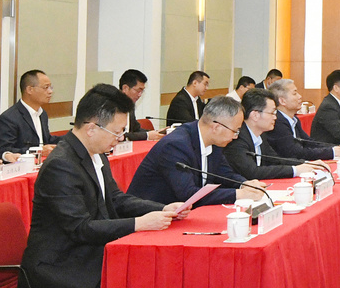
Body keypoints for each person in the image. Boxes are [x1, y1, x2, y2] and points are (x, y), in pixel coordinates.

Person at [21, 84, 182, 288]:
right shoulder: (62, 165)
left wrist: (161, 208)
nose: (119, 139)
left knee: (139, 284)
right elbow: (80, 228)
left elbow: (117, 200)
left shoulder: (94, 155)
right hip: (55, 268)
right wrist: (138, 224)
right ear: (92, 127)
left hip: (83, 256)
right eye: (117, 132)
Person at [128, 96, 262, 208]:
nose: (236, 136)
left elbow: (225, 173)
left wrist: (244, 184)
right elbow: (188, 194)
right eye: (235, 131)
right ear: (216, 127)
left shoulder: (214, 141)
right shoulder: (175, 146)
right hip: (152, 215)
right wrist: (238, 194)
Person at [224, 89, 319, 180]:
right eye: (272, 113)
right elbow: (252, 172)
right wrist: (294, 170)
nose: (275, 117)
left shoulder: (261, 135)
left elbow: (275, 160)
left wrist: (305, 163)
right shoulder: (237, 138)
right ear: (255, 115)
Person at [0, 69, 63, 157]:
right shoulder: (8, 118)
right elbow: (3, 151)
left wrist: (74, 135)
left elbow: (46, 141)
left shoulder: (42, 114)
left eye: (50, 87)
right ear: (29, 89)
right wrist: (38, 151)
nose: (50, 91)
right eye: (46, 87)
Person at [265, 78, 335, 161]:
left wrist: (335, 148)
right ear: (282, 101)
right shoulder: (277, 122)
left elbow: (309, 142)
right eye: (294, 93)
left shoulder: (294, 119)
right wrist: (331, 152)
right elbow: (296, 152)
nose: (300, 96)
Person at [118, 69, 162, 142]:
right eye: (138, 90)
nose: (140, 95)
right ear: (125, 88)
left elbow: (136, 130)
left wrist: (157, 133)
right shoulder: (112, 106)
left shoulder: (130, 105)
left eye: (142, 91)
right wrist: (147, 135)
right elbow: (120, 135)